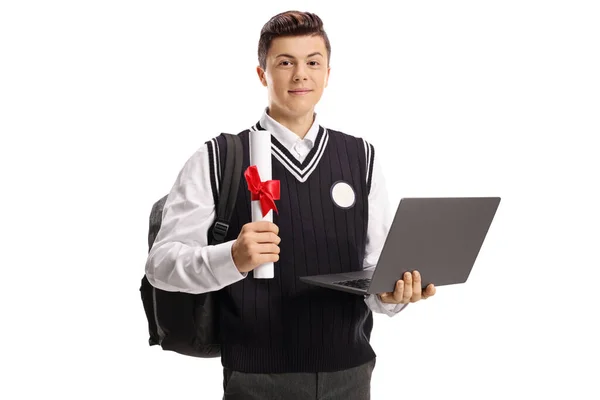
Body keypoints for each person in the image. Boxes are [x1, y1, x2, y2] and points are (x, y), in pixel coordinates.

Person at [145, 10, 436, 400]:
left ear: (328, 73)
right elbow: (161, 265)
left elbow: (374, 267)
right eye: (285, 62)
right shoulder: (219, 157)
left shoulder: (360, 156)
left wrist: (391, 295)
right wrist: (232, 257)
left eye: (313, 62)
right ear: (262, 74)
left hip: (349, 373)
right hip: (256, 378)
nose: (301, 74)